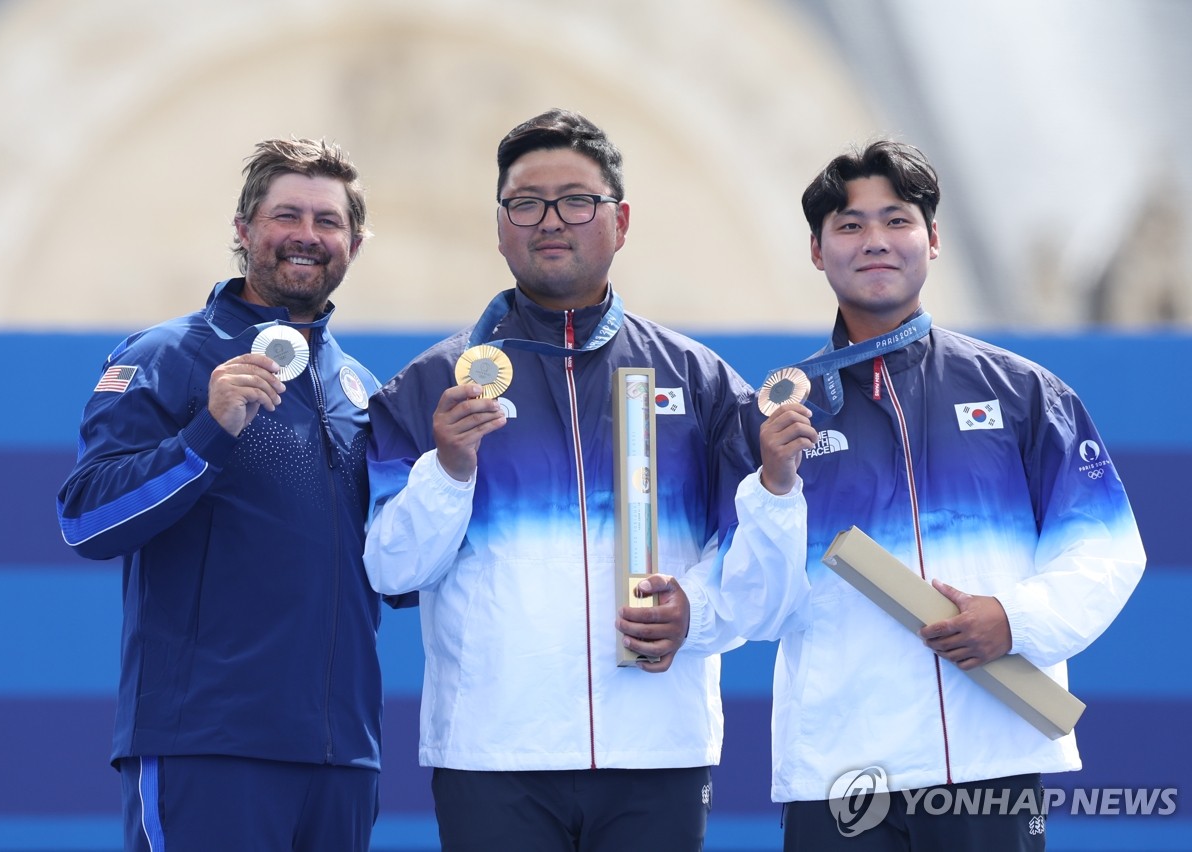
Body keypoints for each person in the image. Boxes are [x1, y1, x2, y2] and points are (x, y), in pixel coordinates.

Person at [712, 140, 1146, 850]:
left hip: (993, 758)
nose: (875, 241)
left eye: (897, 220)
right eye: (850, 226)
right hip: (842, 769)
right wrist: (775, 488)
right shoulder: (772, 418)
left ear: (933, 239)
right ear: (817, 252)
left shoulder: (1024, 394)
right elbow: (754, 610)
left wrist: (1014, 618)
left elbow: (1106, 550)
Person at [363, 108, 762, 852]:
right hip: (493, 757)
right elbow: (390, 569)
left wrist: (695, 613)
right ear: (500, 224)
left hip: (658, 751)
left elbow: (757, 553)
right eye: (526, 203)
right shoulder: (431, 385)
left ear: (621, 219)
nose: (552, 220)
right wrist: (449, 470)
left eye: (577, 200)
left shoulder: (699, 381)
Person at [56, 137, 386, 851]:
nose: (306, 236)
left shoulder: (361, 387)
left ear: (354, 243)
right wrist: (206, 432)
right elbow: (84, 519)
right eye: (285, 215)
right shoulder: (166, 356)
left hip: (342, 761)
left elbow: (393, 567)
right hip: (208, 746)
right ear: (243, 230)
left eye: (327, 221)